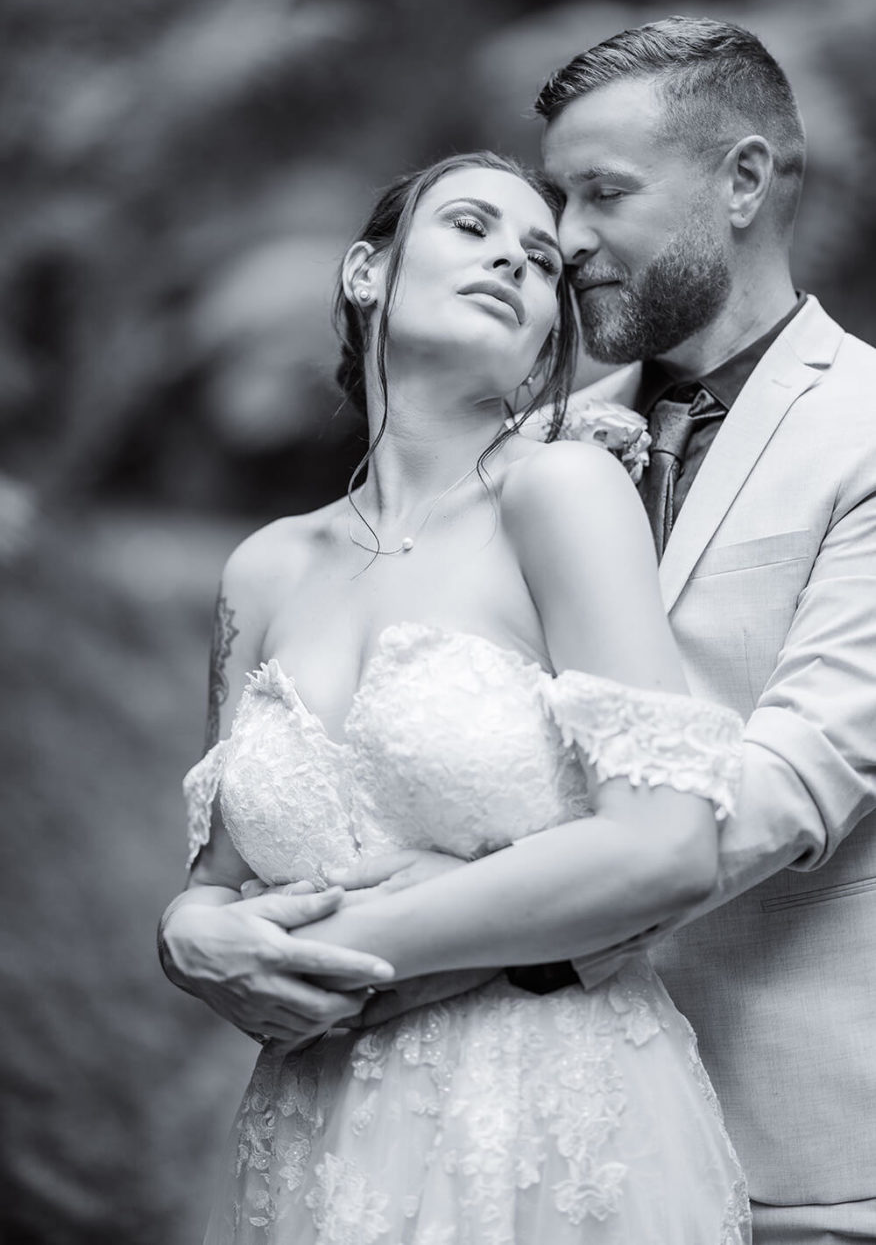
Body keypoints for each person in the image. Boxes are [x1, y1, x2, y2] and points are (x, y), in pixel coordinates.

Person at [160, 149, 751, 1243]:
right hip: (317, 1138)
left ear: (544, 342)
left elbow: (668, 845)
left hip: (540, 1116)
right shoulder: (264, 570)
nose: (512, 261)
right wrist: (185, 939)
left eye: (539, 262)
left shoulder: (561, 493)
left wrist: (369, 943)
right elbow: (219, 881)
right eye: (472, 227)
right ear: (364, 273)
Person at [534, 17, 876, 1245]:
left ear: (741, 180)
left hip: (797, 1154)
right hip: (533, 1134)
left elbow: (796, 780)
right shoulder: (527, 449)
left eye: (603, 193)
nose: (564, 240)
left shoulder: (871, 429)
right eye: (555, 197)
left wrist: (472, 938)